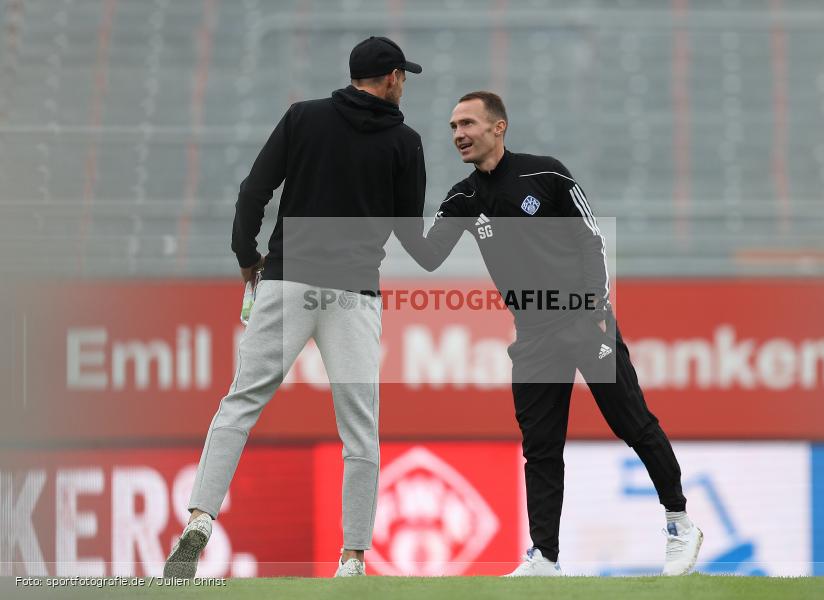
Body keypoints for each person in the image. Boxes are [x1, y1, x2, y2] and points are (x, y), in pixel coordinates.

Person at [163, 36, 426, 579]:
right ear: (394, 77)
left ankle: (198, 519)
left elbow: (251, 192)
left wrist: (246, 258)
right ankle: (352, 556)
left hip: (286, 279)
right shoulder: (406, 141)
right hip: (353, 292)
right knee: (360, 429)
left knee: (240, 405)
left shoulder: (302, 118)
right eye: (405, 77)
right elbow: (408, 230)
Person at [410, 91, 703, 576]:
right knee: (540, 447)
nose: (458, 134)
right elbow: (427, 256)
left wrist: (595, 307)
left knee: (633, 424)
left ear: (498, 127)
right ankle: (544, 556)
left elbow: (591, 240)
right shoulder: (462, 198)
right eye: (452, 127)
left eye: (467, 124)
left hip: (583, 321)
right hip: (533, 335)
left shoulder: (546, 175)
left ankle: (680, 522)